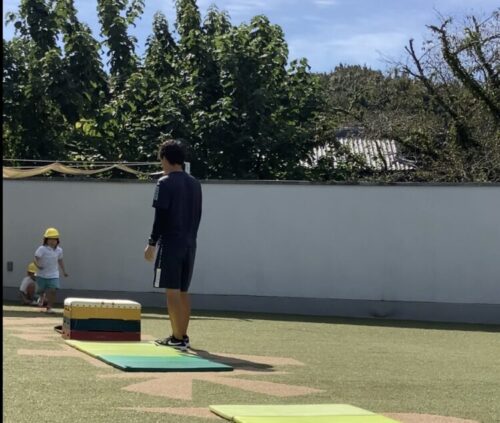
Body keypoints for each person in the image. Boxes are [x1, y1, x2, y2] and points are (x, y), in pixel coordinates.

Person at [144, 139, 202, 351]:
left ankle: (177, 338)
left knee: (172, 291)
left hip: (171, 244)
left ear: (165, 158)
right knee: (183, 291)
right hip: (190, 243)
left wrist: (152, 243)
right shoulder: (195, 183)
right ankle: (182, 336)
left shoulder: (165, 182)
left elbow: (160, 217)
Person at [34, 227, 69, 314]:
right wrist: (38, 266)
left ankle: (49, 307)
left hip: (53, 274)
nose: (52, 241)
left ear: (57, 240)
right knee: (40, 290)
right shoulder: (42, 249)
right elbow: (36, 258)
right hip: (41, 274)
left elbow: (60, 260)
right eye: (50, 239)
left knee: (53, 290)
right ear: (46, 240)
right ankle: (41, 296)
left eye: (54, 239)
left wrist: (64, 271)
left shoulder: (59, 250)